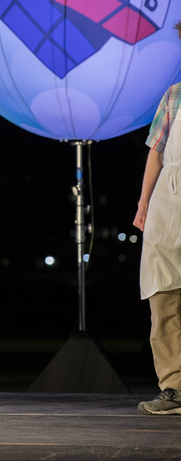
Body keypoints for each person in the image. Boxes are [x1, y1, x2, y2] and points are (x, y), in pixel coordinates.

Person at [132, 21, 181, 416]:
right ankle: (175, 388)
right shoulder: (174, 96)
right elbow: (156, 150)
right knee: (163, 299)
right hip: (168, 205)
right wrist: (144, 203)